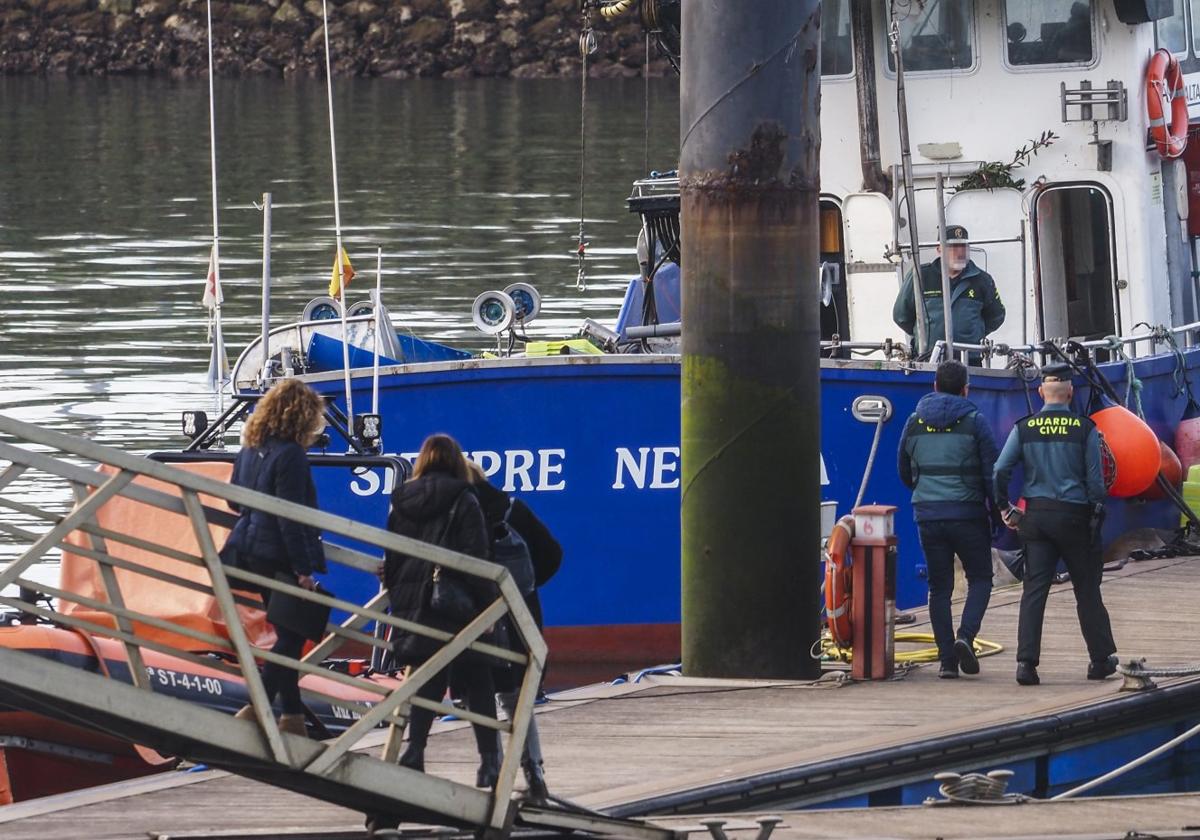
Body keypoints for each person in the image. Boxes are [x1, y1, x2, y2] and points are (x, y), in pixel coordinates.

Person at [381, 434, 502, 788]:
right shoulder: (464, 498)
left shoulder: (400, 499)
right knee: (479, 679)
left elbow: (393, 555)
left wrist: (399, 596)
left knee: (427, 675)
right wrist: (489, 607)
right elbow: (475, 558)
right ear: (454, 461)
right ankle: (489, 762)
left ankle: (414, 751)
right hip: (455, 604)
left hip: (415, 604)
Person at [993, 363, 1118, 686]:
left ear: (1040, 393)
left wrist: (1004, 507)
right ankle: (1100, 660)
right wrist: (1096, 511)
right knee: (1087, 590)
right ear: (1071, 393)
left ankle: (1026, 664)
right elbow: (1096, 480)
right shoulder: (1084, 429)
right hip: (1075, 517)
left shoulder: (1025, 428)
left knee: (1035, 591)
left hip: (1036, 517)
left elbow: (999, 472)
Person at [223, 378, 328, 737]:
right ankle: (258, 708)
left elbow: (233, 501)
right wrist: (303, 571)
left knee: (287, 631)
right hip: (279, 554)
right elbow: (290, 515)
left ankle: (293, 719)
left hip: (250, 551)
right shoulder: (292, 455)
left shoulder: (249, 449)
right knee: (291, 637)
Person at [465, 460, 563, 803]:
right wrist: (526, 588)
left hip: (475, 617)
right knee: (518, 699)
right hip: (521, 616)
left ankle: (492, 769)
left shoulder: (459, 512)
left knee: (479, 692)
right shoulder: (512, 508)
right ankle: (533, 773)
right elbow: (553, 554)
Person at [897, 360, 998, 679]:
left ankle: (946, 662)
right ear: (965, 388)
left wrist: (925, 491)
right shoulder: (975, 421)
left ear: (935, 386)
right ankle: (965, 637)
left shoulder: (914, 422)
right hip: (967, 513)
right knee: (980, 578)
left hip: (928, 515)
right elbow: (990, 473)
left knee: (939, 587)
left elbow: (903, 469)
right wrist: (997, 511)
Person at [892, 225, 1006, 357]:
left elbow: (996, 316)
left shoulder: (982, 280)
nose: (960, 251)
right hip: (929, 358)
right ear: (939, 249)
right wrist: (924, 334)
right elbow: (901, 316)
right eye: (953, 247)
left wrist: (974, 334)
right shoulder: (920, 276)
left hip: (969, 361)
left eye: (963, 246)